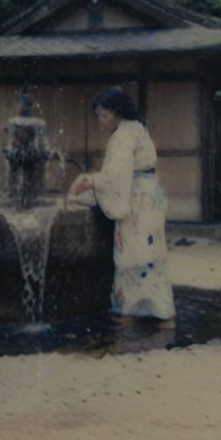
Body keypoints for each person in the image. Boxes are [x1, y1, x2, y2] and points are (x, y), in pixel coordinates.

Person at [70, 88, 175, 329]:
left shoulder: (123, 136)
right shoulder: (137, 127)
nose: (100, 121)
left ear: (116, 113)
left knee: (131, 253)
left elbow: (117, 174)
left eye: (103, 116)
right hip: (150, 196)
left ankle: (129, 310)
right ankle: (162, 310)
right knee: (152, 254)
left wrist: (92, 181)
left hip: (136, 197)